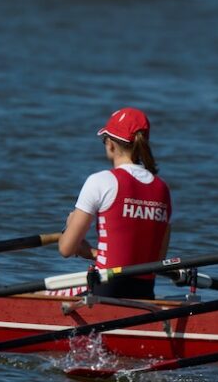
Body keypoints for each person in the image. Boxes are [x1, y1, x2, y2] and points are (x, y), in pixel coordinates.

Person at [56, 107, 172, 299]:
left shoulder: (101, 181)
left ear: (110, 144)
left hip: (104, 290)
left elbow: (65, 249)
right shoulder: (162, 189)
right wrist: (94, 252)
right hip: (144, 293)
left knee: (35, 293)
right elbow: (157, 260)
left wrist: (69, 230)